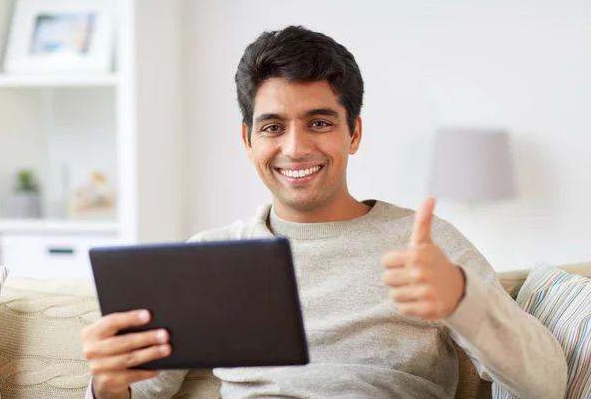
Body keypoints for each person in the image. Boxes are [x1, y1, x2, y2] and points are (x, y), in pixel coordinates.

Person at [82, 25, 567, 399]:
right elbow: (136, 390)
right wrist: (107, 384)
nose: (295, 148)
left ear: (353, 134)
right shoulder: (207, 257)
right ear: (248, 140)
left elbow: (546, 383)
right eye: (272, 127)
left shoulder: (427, 246)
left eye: (318, 122)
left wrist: (461, 297)